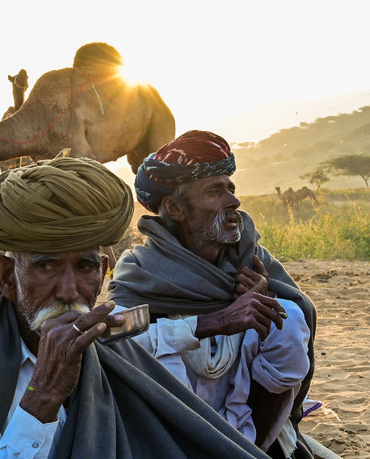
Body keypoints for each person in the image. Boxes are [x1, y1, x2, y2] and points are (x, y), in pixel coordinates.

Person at [0, 157, 267, 459]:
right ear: (6, 276)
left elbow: (139, 332)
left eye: (83, 267)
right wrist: (42, 397)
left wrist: (216, 320)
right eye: (46, 266)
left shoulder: (109, 339)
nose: (68, 290)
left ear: (102, 273)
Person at [108, 131, 316, 458]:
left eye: (231, 188)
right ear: (175, 208)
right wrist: (213, 321)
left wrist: (262, 302)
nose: (233, 201)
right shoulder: (142, 272)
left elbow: (301, 314)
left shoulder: (252, 260)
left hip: (248, 426)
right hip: (172, 432)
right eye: (215, 191)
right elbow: (112, 333)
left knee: (287, 320)